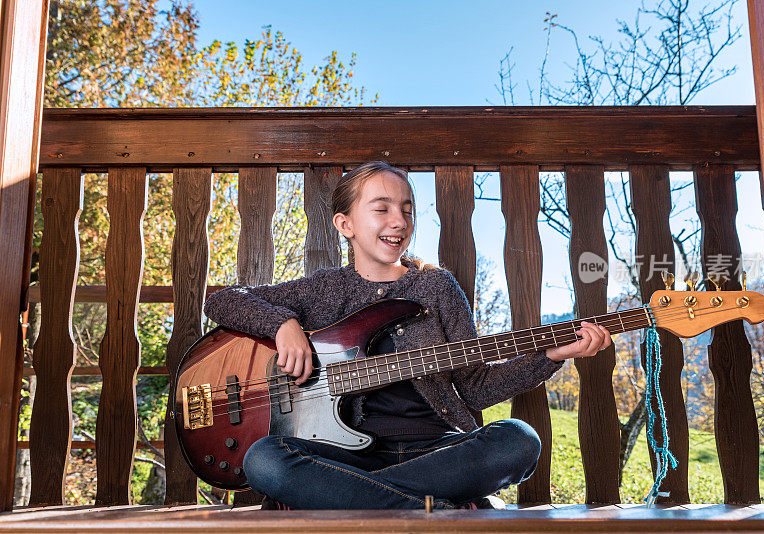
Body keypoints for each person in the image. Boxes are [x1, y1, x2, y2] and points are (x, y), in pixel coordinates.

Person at [203, 161, 611, 510]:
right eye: (381, 209)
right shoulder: (325, 289)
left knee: (518, 440)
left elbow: (474, 388)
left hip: (434, 453)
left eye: (407, 210)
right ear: (345, 224)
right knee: (264, 459)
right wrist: (282, 325)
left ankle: (361, 501)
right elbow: (224, 301)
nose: (399, 221)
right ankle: (424, 507)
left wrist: (549, 357)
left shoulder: (437, 288)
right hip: (343, 459)